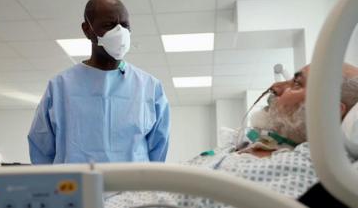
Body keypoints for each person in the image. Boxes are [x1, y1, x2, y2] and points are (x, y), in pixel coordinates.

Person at [104, 63, 358, 208]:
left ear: (327, 112)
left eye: (297, 84)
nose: (275, 87)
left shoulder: (320, 170)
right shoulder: (242, 146)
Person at [27, 0, 170, 164]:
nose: (120, 32)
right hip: (75, 188)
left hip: (132, 188)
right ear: (87, 29)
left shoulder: (149, 87)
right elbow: (42, 150)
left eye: (124, 25)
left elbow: (158, 152)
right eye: (109, 25)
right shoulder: (60, 87)